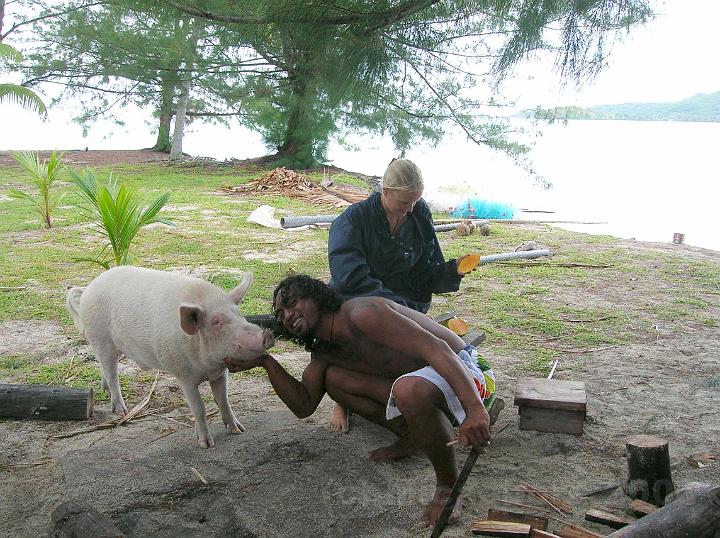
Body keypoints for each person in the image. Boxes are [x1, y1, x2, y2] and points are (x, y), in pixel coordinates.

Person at [225, 274, 497, 528]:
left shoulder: (362, 314)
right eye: (281, 314)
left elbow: (436, 348)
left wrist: (474, 409)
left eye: (291, 303)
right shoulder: (324, 351)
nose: (287, 316)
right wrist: (265, 361)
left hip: (469, 371)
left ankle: (448, 488)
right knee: (335, 379)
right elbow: (304, 405)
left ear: (316, 297)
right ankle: (413, 435)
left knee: (408, 389)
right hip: (425, 386)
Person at [327, 158, 475, 431]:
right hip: (361, 301)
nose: (410, 209)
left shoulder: (418, 213)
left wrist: (452, 271)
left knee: (413, 352)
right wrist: (393, 307)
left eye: (415, 202)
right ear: (385, 191)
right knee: (361, 341)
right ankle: (343, 401)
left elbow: (427, 268)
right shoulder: (352, 221)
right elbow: (350, 278)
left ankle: (408, 397)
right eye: (404, 202)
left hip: (407, 300)